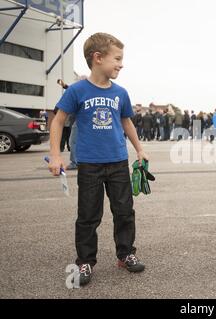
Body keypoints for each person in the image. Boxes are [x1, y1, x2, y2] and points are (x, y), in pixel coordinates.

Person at [47, 32, 149, 286]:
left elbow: (126, 122)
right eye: (117, 58)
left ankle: (126, 254)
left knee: (124, 211)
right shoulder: (77, 91)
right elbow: (58, 121)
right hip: (89, 164)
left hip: (117, 162)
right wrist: (57, 155)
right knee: (88, 216)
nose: (121, 64)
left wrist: (139, 149)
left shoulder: (121, 93)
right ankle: (85, 262)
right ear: (98, 58)